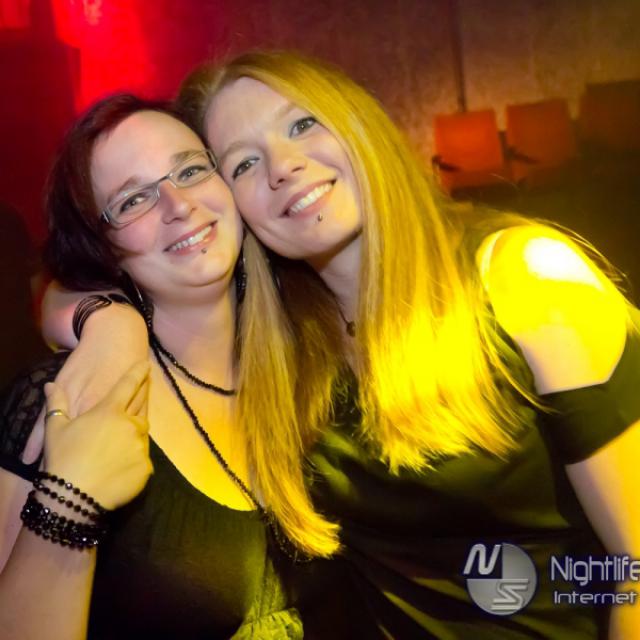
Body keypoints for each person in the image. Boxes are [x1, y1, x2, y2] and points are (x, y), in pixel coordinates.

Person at [42, 51, 640, 639]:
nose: (283, 167)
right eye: (244, 163)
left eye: (302, 124)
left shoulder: (522, 277)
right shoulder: (279, 328)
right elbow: (67, 284)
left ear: (358, 121)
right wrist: (110, 327)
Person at [0, 94, 309, 639]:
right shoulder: (67, 399)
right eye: (133, 200)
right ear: (102, 247)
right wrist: (68, 502)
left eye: (190, 170)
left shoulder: (312, 350)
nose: (178, 204)